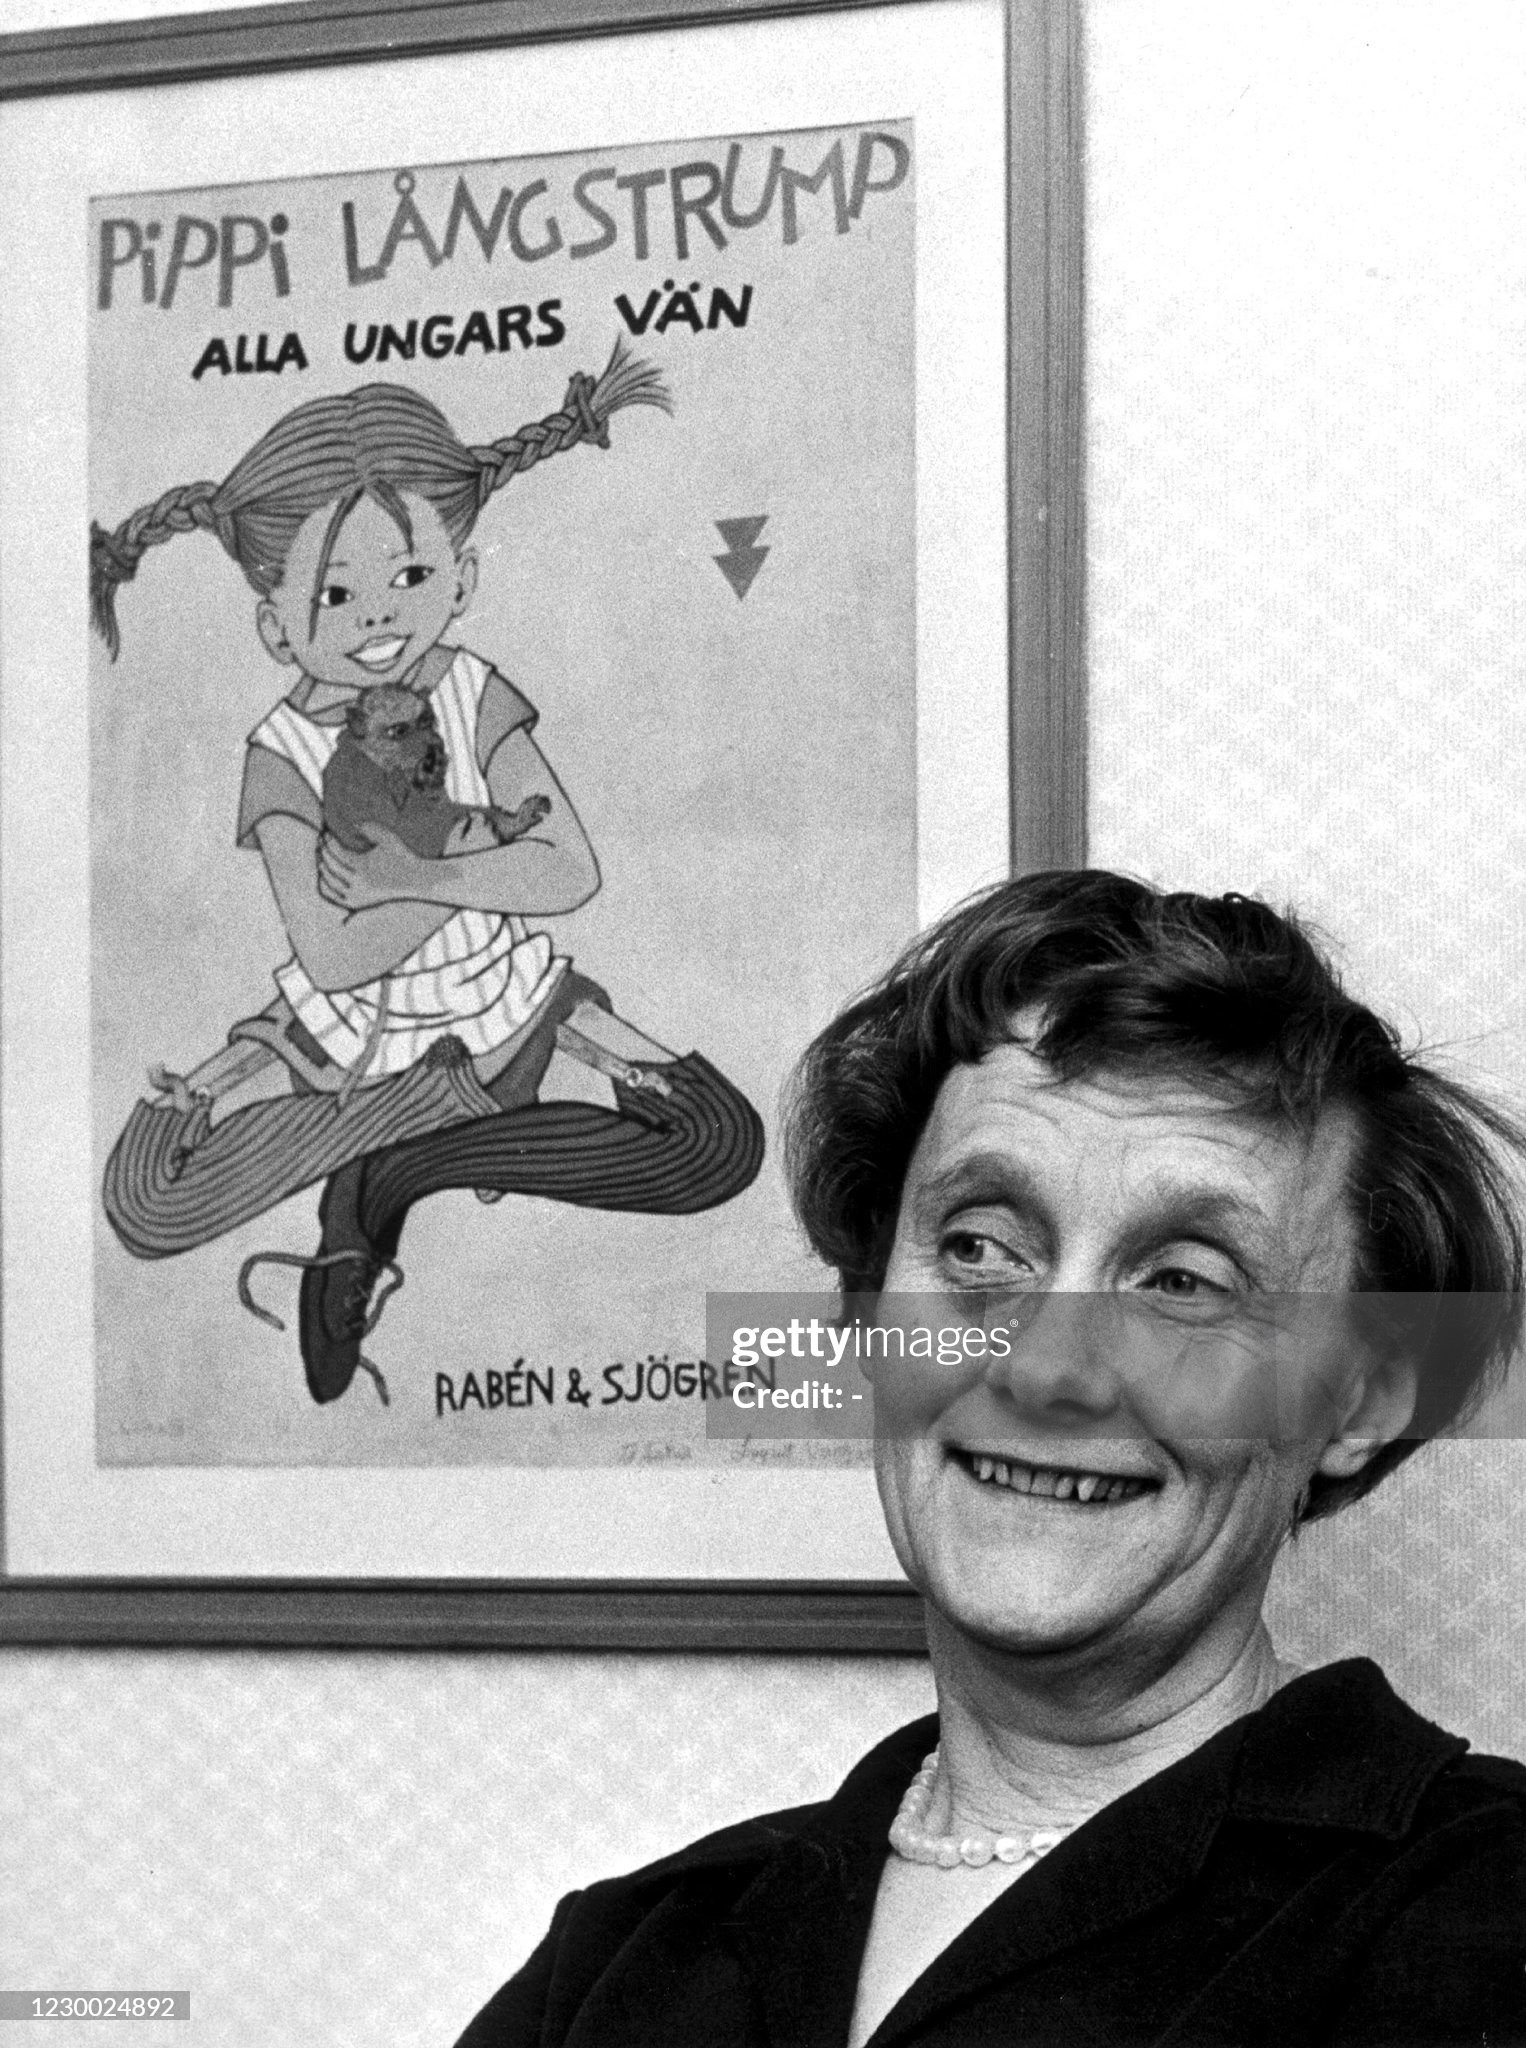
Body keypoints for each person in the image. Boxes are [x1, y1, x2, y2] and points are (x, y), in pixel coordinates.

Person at [454, 871, 1526, 2046]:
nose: (1046, 1367)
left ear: (1358, 1397)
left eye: (1182, 1280)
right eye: (977, 1247)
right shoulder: (620, 1958)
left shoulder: (1486, 1911)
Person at [91, 349, 762, 1406]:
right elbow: (333, 953)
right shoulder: (279, 754)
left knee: (721, 1143)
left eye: (408, 579)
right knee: (143, 1205)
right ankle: (396, 1149)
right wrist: (465, 865)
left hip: (509, 1005)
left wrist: (411, 871)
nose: (377, 618)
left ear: (462, 579)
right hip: (347, 1044)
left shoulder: (469, 690)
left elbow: (568, 869)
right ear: (275, 625)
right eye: (335, 594)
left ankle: (396, 1175)